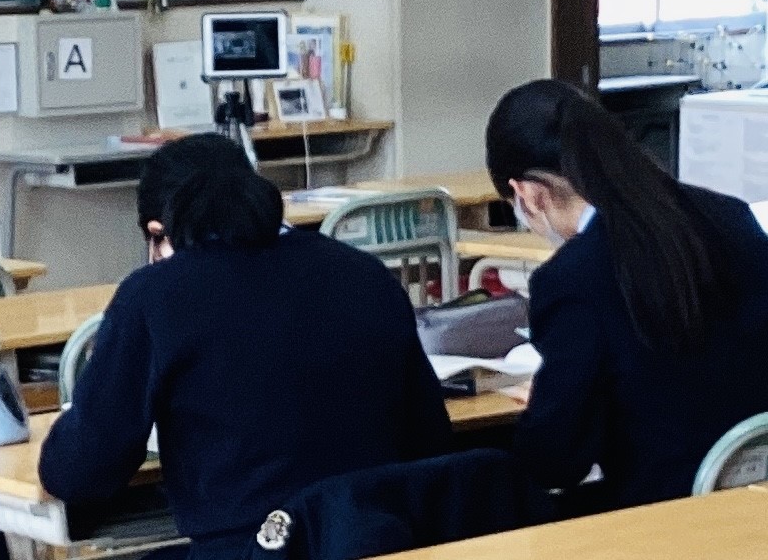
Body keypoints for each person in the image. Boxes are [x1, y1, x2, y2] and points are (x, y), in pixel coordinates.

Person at [39, 134, 452, 558]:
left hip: (252, 548)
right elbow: (430, 441)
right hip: (380, 541)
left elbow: (80, 472)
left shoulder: (154, 296)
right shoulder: (364, 273)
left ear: (158, 231)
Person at [486, 79, 768, 509]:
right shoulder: (731, 216)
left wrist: (547, 405)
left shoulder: (573, 277)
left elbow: (557, 461)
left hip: (660, 510)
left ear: (530, 193)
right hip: (755, 495)